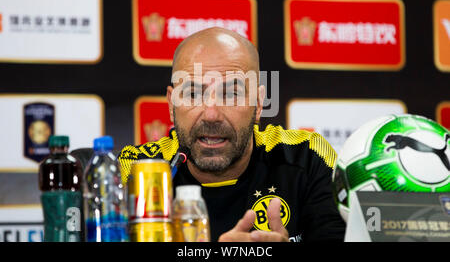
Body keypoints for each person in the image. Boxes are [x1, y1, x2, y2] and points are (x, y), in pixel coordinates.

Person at [118, 27, 345, 242]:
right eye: (194, 93)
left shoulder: (307, 157)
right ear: (171, 104)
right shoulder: (136, 171)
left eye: (231, 94)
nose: (211, 114)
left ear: (258, 104)